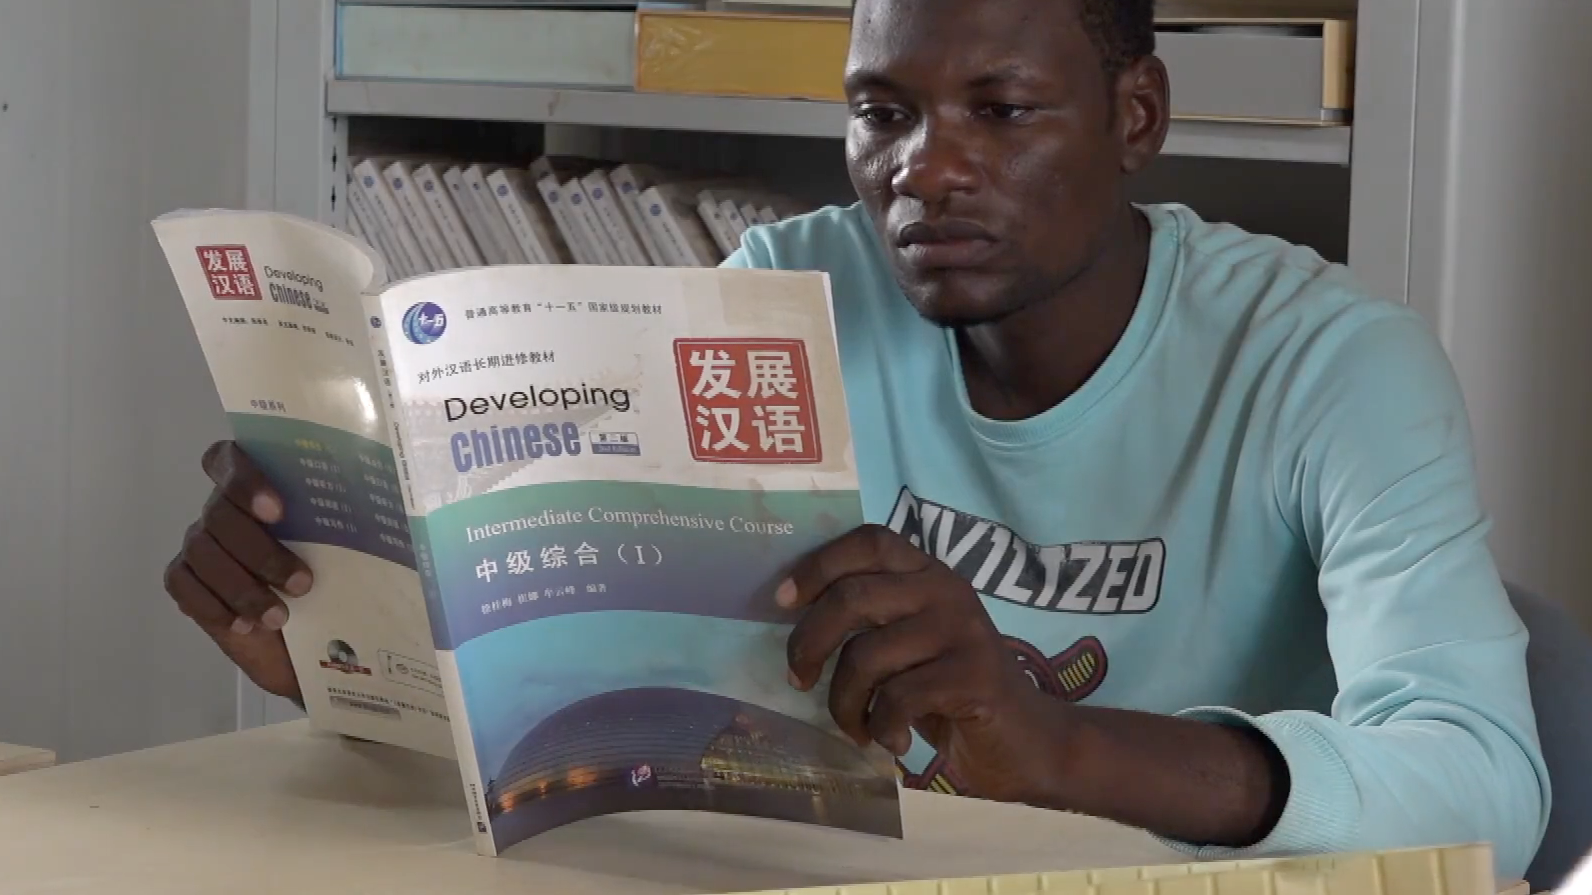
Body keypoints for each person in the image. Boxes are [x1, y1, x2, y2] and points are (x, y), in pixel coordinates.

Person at [164, 0, 1551, 879]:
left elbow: (1489, 781)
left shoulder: (1331, 365)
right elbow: (625, 697)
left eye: (1001, 112)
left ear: (1138, 118)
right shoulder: (779, 300)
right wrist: (360, 644)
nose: (923, 170)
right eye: (881, 114)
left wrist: (1060, 749)